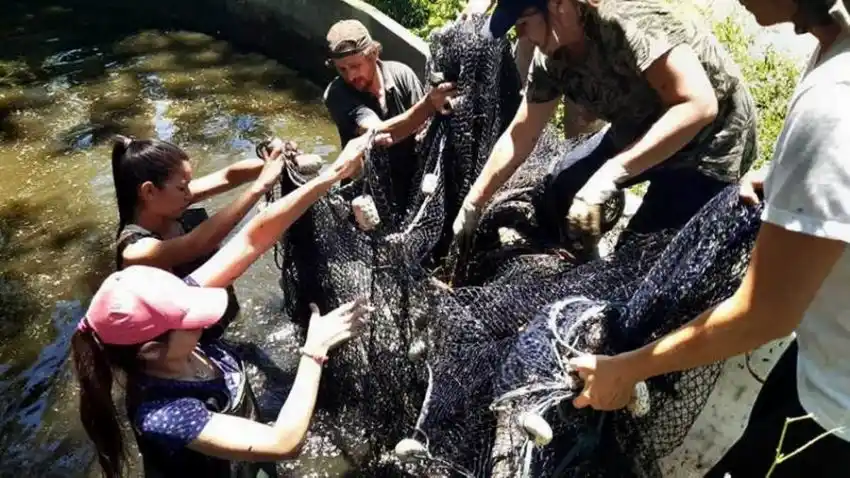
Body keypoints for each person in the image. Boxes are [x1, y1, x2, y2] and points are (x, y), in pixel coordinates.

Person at [567, 1, 850, 476]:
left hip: (835, 420)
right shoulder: (835, 43)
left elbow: (763, 315)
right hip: (821, 361)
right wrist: (787, 179)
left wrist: (626, 369)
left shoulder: (833, 104)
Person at [72, 132, 381, 478]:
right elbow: (282, 441)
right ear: (150, 350)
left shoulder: (167, 303)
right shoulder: (164, 410)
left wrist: (332, 175)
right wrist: (315, 350)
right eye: (191, 319)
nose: (203, 320)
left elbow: (253, 238)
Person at [453, 0, 757, 253]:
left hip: (711, 142)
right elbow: (521, 134)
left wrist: (611, 175)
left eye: (523, 23)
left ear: (558, 5)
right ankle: (585, 259)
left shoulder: (626, 21)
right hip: (639, 121)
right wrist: (474, 202)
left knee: (637, 259)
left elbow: (699, 106)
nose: (520, 35)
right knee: (561, 188)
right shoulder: (551, 58)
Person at [111, 136, 288, 334]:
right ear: (149, 191)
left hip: (220, 321)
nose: (189, 193)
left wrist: (273, 163)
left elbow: (228, 176)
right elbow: (194, 245)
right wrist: (261, 186)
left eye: (189, 184)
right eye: (182, 187)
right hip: (185, 351)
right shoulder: (134, 250)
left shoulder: (168, 201)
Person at [323, 19, 458, 214]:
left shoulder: (402, 74)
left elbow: (424, 126)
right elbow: (378, 131)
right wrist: (429, 104)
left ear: (374, 54)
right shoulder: (336, 94)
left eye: (355, 66)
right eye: (342, 69)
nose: (350, 76)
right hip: (365, 195)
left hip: (410, 184)